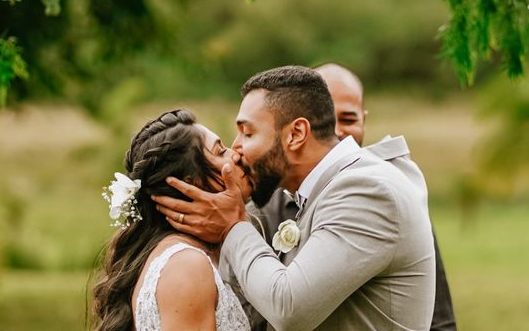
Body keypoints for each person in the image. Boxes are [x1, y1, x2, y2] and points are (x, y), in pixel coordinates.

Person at [153, 66, 436, 331]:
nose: (236, 148)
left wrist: (233, 226)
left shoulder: (367, 191)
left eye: (247, 132)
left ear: (296, 134)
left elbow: (289, 309)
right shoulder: (325, 189)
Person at [252, 63, 457, 331]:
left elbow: (439, 318)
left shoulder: (381, 198)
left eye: (348, 120)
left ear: (364, 118)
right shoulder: (266, 205)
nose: (336, 132)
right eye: (326, 121)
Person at [91, 109, 252, 331]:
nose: (235, 154)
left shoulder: (183, 256)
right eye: (220, 150)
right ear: (191, 183)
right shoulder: (187, 265)